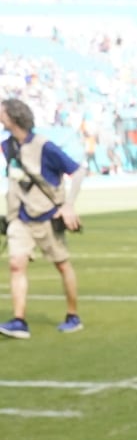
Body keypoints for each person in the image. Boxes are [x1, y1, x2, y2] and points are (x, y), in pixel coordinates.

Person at [2, 98, 84, 337]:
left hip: (47, 215)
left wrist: (68, 205)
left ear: (14, 116)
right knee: (16, 264)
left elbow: (77, 170)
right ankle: (19, 320)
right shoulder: (7, 146)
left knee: (62, 264)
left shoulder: (44, 146)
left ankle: (72, 315)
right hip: (19, 217)